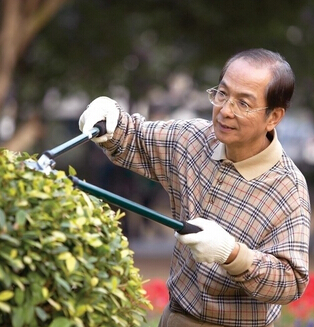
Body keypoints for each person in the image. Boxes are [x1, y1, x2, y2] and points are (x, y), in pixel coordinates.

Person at [78, 48, 311, 327]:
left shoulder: (288, 187)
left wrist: (232, 255)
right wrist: (108, 116)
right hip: (175, 318)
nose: (225, 110)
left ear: (274, 117)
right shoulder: (193, 140)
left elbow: (291, 281)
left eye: (243, 104)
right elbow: (135, 138)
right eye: (222, 94)